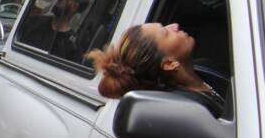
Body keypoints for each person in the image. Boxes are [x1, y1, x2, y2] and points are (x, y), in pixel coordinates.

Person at [88, 22, 225, 117]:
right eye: (166, 32)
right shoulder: (186, 109)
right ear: (169, 63)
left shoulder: (205, 68)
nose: (175, 26)